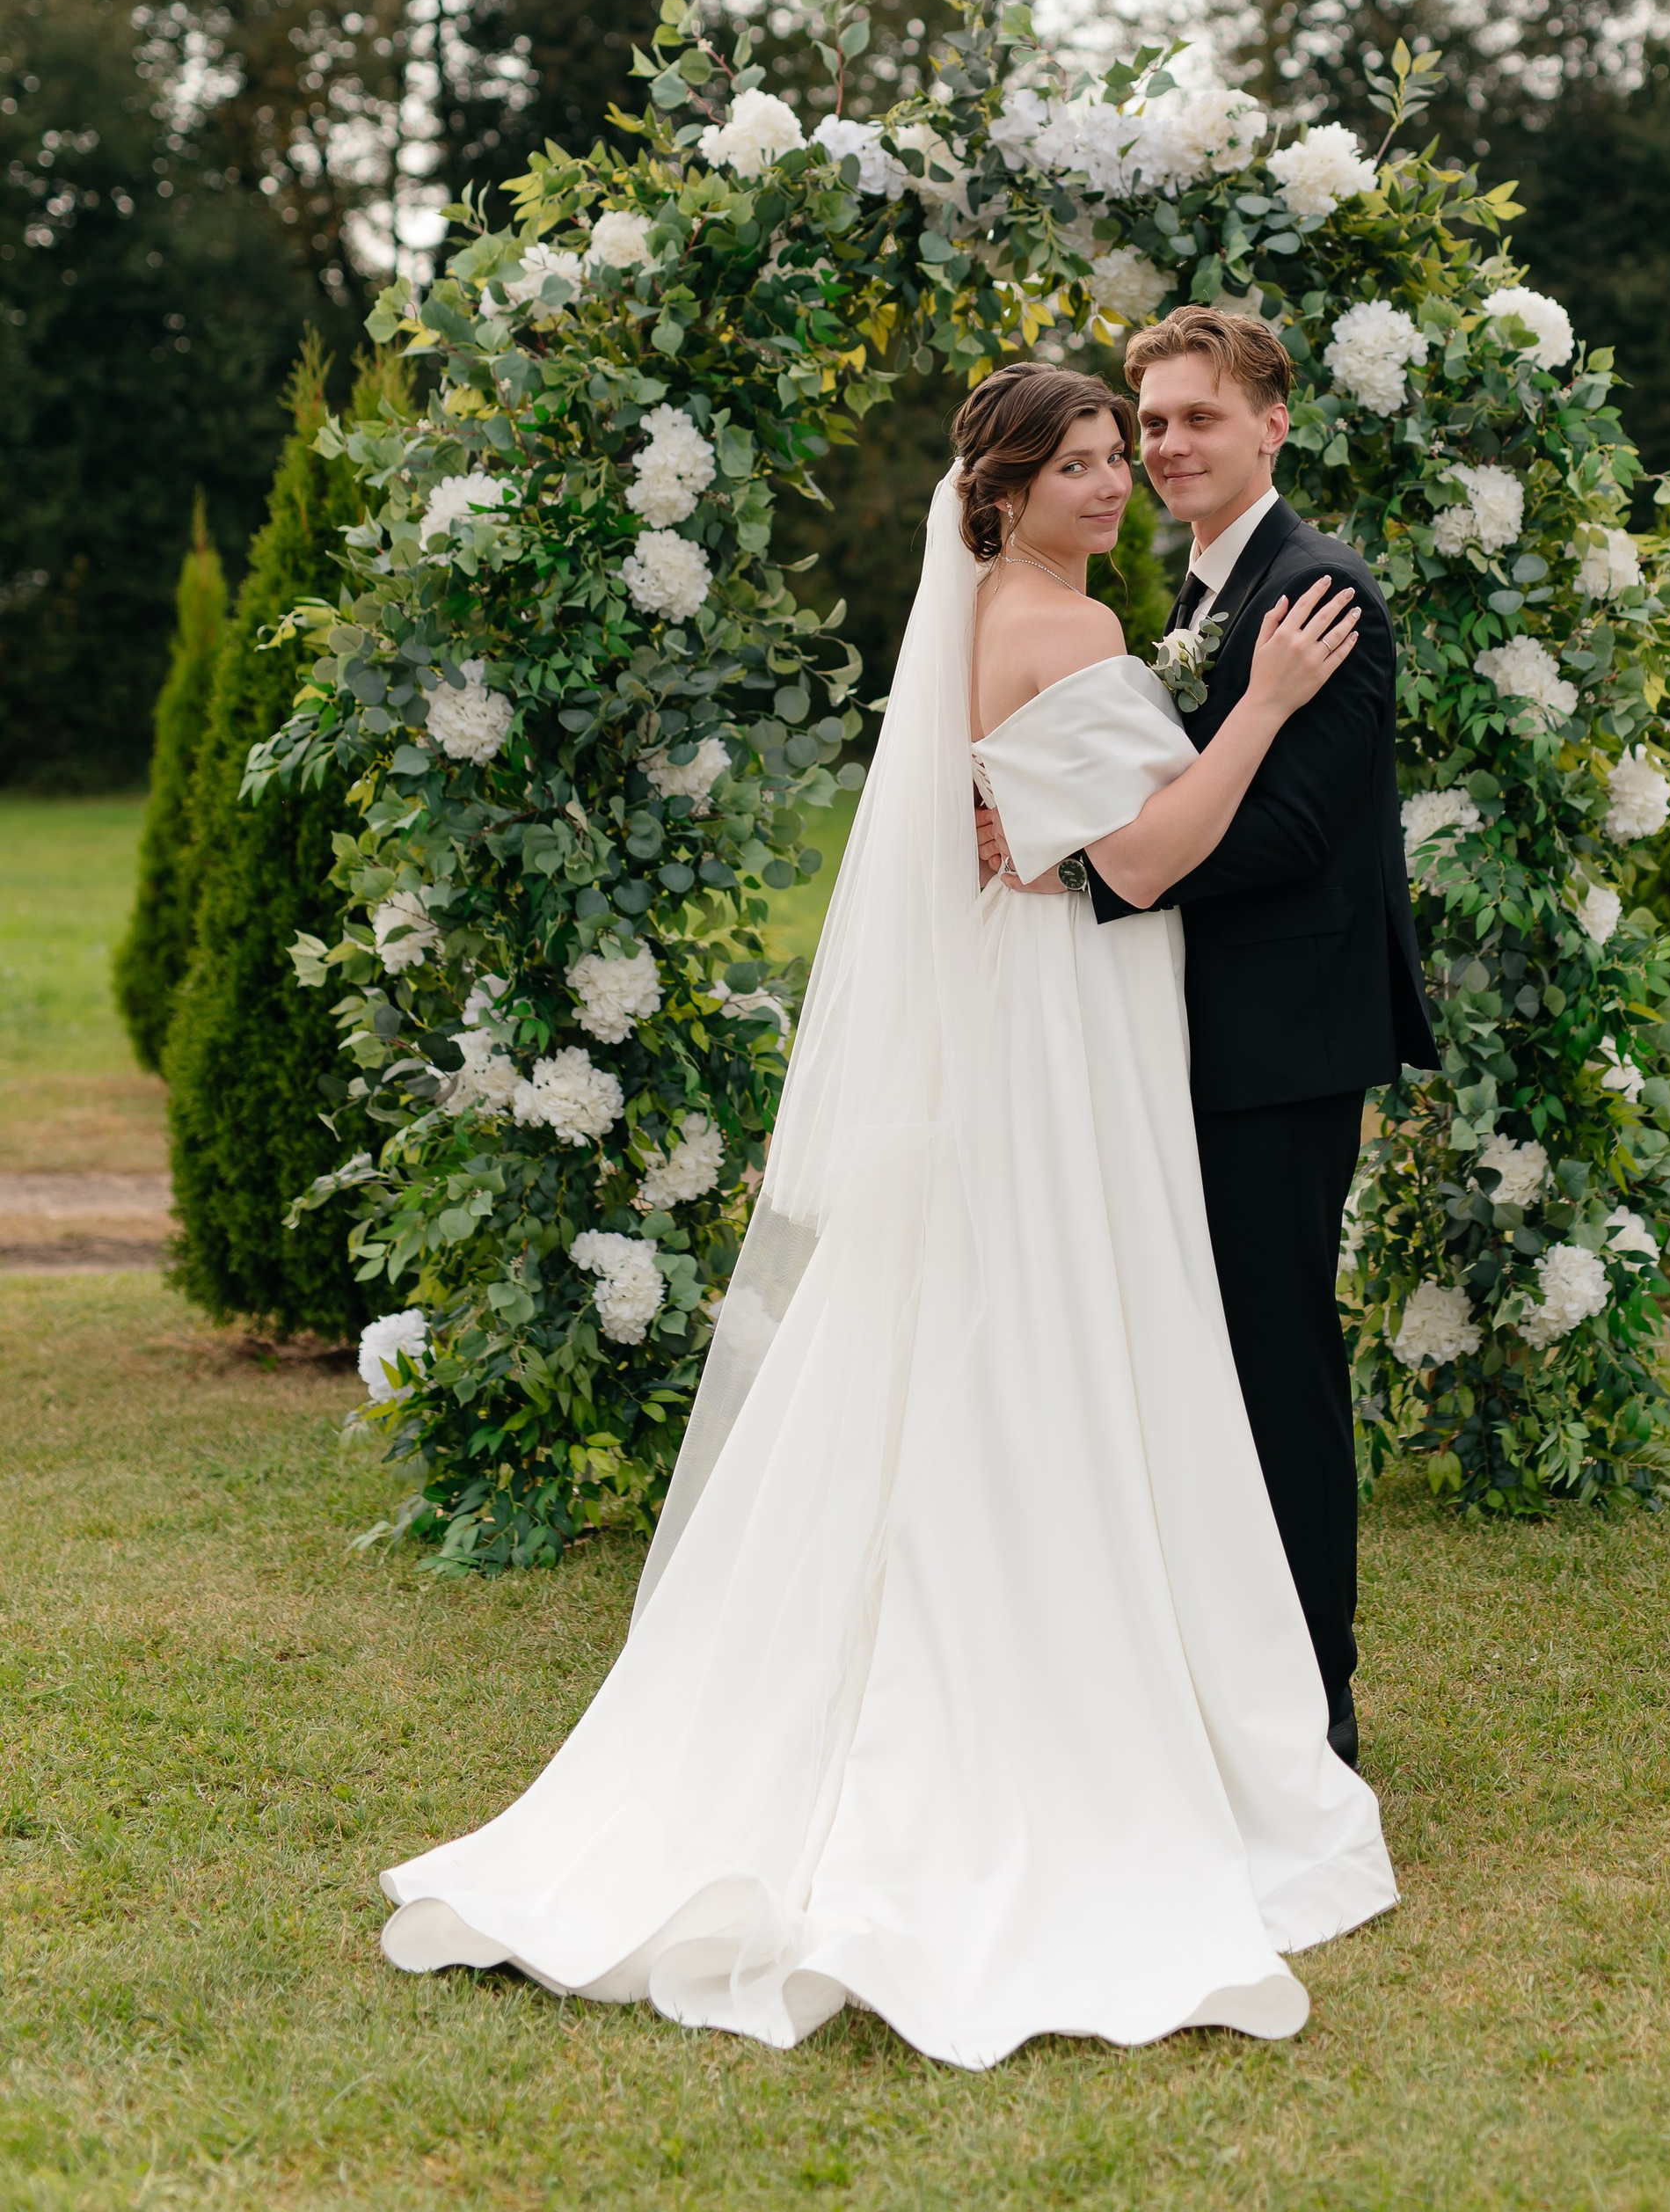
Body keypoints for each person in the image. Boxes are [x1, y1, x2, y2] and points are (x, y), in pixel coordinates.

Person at [378, 365, 1396, 2067]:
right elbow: (1148, 860)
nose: (1116, 484)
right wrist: (1262, 707)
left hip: (1042, 1006)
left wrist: (1070, 825)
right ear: (1000, 494)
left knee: (1008, 1331)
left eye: (1122, 455)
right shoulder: (1069, 626)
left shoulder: (1002, 616)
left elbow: (1065, 834)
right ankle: (1055, 1694)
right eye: (1081, 465)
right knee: (1070, 1322)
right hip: (1065, 1032)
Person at [981, 308, 1438, 1769]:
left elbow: (1294, 833)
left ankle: (1317, 1692)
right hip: (1171, 1033)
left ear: (1271, 425)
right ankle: (1207, 1665)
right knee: (1194, 1357)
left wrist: (1087, 865)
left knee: (1275, 1357)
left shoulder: (1317, 589)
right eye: (1153, 425)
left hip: (1280, 1042)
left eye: (1196, 419)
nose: (1167, 448)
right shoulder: (1194, 593)